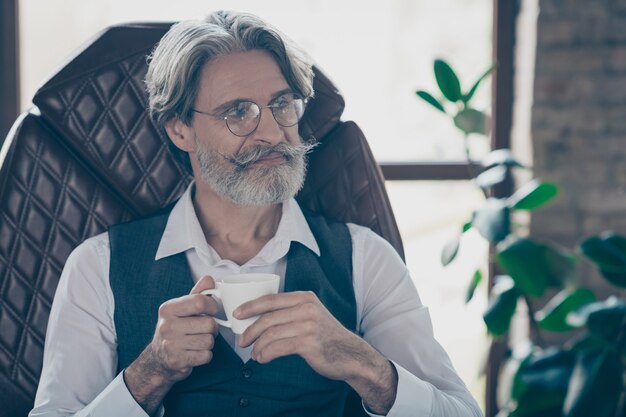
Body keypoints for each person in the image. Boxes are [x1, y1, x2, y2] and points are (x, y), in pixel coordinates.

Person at [30, 10, 482, 417]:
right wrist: (149, 373)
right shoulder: (97, 266)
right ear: (181, 129)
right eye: (238, 112)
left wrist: (361, 362)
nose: (271, 131)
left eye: (282, 103)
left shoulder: (366, 258)